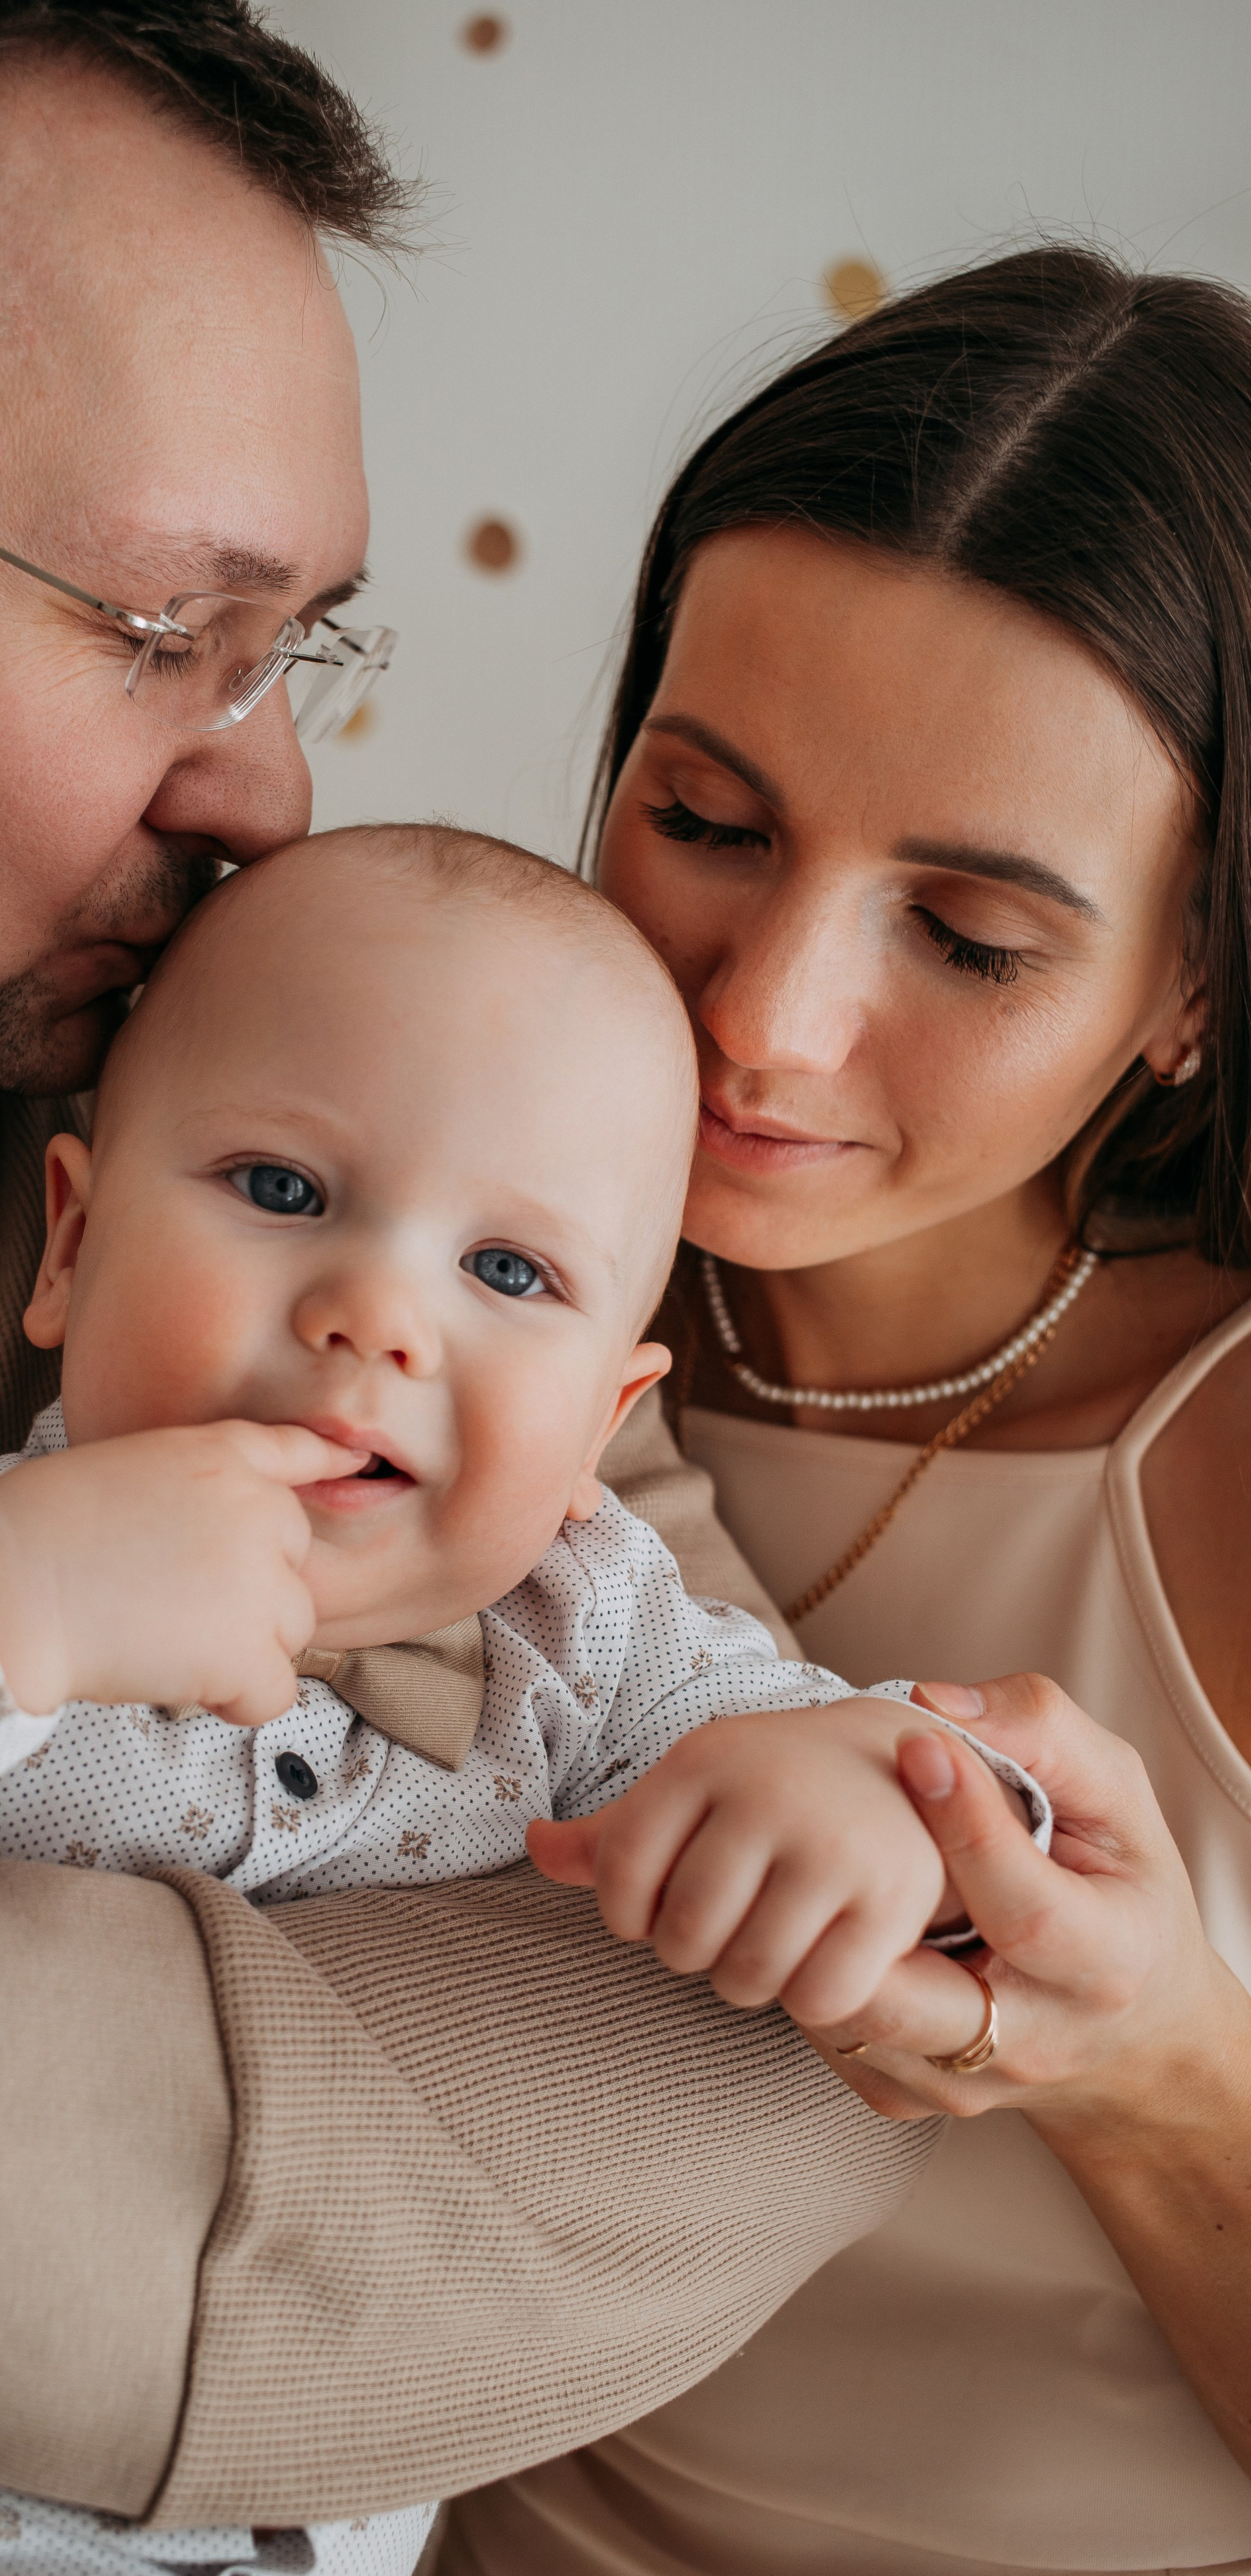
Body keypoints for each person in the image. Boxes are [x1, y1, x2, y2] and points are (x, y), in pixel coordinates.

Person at [0, 5, 946, 2568]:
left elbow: (797, 2093)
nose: (268, 791)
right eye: (159, 626)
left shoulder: (297, 1115)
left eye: (302, 652)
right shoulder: (200, 1197)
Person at [0, 825, 1043, 2576]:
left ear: (601, 1425)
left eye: (509, 1273)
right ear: (71, 1245)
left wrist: (878, 1805)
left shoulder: (592, 1631)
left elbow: (894, 1790)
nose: (377, 1315)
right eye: (281, 1189)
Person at [441, 244, 1251, 2576]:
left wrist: (1158, 2065)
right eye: (705, 819)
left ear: (1194, 986)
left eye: (971, 937)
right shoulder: (400, 1235)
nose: (765, 1022)